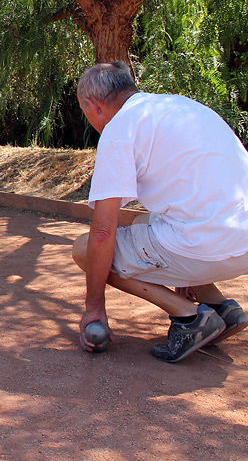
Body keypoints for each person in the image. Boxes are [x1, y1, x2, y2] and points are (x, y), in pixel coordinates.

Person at [72, 61, 248, 363]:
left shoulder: (119, 129)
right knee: (145, 221)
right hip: (241, 240)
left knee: (84, 249)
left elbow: (103, 232)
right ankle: (221, 307)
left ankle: (189, 317)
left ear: (92, 104)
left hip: (208, 245)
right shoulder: (181, 107)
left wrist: (94, 308)